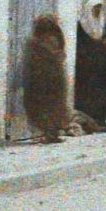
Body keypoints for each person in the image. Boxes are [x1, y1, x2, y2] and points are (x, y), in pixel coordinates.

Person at [21, 13, 73, 144]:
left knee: (49, 106)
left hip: (47, 79)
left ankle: (51, 133)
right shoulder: (38, 42)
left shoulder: (35, 42)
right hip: (47, 79)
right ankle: (50, 133)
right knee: (50, 106)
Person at [72, 0, 106, 129]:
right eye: (95, 8)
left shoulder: (104, 23)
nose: (97, 10)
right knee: (87, 90)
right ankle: (88, 118)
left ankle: (101, 117)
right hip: (86, 62)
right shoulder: (81, 24)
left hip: (103, 61)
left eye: (99, 8)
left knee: (103, 89)